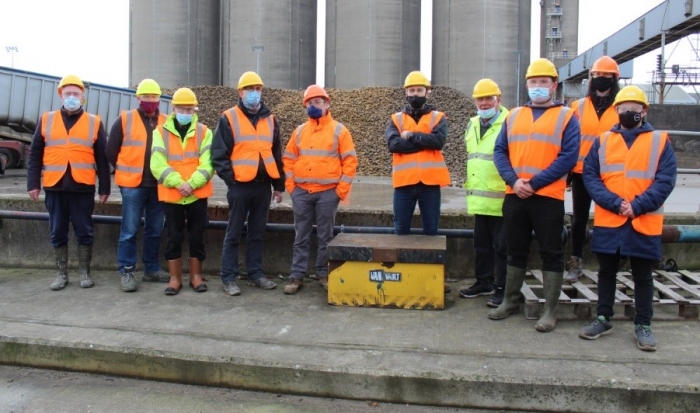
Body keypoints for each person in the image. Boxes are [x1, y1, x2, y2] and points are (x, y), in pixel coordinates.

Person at [579, 86, 676, 351]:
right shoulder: (602, 141)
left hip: (643, 220)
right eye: (623, 108)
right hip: (611, 219)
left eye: (634, 108)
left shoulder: (659, 140)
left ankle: (643, 325)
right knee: (606, 272)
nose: (628, 112)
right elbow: (591, 177)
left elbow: (665, 180)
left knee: (643, 275)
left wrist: (637, 206)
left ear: (644, 111)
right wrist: (614, 203)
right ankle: (603, 318)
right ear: (616, 111)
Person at [489, 58, 580, 333]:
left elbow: (568, 157)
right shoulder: (514, 115)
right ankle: (510, 300)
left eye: (543, 82)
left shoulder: (567, 116)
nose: (538, 87)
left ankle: (550, 310)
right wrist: (514, 181)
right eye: (533, 82)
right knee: (514, 248)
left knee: (551, 251)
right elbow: (500, 152)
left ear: (554, 85)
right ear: (526, 84)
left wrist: (535, 183)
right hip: (515, 194)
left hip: (548, 197)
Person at [26, 74, 111, 290]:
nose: (71, 97)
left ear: (83, 97)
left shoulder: (94, 122)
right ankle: (61, 274)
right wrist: (32, 184)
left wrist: (105, 188)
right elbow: (35, 153)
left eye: (75, 93)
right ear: (60, 95)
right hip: (55, 186)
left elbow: (102, 158)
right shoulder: (47, 119)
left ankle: (84, 273)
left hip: (82, 187)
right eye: (68, 93)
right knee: (57, 230)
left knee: (84, 230)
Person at [212, 71, 284, 296]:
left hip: (263, 186)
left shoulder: (270, 119)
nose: (254, 93)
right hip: (240, 186)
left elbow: (276, 154)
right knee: (233, 233)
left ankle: (255, 273)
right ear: (240, 92)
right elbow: (218, 154)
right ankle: (229, 277)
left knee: (257, 232)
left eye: (258, 89)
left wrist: (279, 185)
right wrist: (232, 180)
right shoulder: (228, 118)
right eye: (250, 89)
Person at [282, 85, 357, 294]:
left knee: (325, 236)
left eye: (317, 102)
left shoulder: (339, 131)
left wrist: (339, 192)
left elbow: (350, 162)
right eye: (309, 103)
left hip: (327, 193)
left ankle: (323, 274)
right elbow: (288, 159)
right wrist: (292, 188)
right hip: (302, 193)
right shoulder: (299, 132)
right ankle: (296, 276)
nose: (313, 106)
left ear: (327, 104)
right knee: (301, 236)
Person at [106, 78, 169, 293]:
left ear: (159, 98)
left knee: (155, 230)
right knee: (129, 230)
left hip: (158, 186)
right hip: (133, 186)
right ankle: (127, 270)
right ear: (138, 97)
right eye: (146, 96)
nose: (150, 100)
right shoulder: (124, 120)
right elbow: (111, 151)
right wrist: (125, 168)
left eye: (154, 96)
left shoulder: (167, 121)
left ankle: (151, 268)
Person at [150, 88, 214, 296]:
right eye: (182, 108)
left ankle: (196, 277)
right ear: (173, 108)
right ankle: (175, 278)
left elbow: (209, 162)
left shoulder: (204, 132)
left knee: (197, 235)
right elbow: (157, 164)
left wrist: (192, 184)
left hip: (196, 194)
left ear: (195, 109)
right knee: (173, 236)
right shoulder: (160, 132)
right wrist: (179, 183)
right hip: (173, 194)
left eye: (189, 109)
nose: (186, 112)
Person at [565, 56, 621, 283]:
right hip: (581, 172)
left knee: (609, 218)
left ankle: (608, 265)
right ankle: (575, 262)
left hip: (611, 173)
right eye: (596, 75)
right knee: (579, 219)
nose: (600, 79)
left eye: (605, 76)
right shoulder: (577, 106)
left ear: (614, 78)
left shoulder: (621, 106)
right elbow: (569, 140)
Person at [459, 79, 508, 308]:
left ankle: (502, 288)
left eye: (489, 98)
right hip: (480, 199)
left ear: (498, 99)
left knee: (503, 247)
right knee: (481, 245)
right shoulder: (472, 124)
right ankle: (483, 282)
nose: (485, 102)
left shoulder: (510, 122)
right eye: (481, 99)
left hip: (502, 198)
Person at [385, 71, 450, 236]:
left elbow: (438, 142)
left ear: (427, 92)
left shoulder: (438, 118)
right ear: (406, 93)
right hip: (403, 184)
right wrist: (424, 142)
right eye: (412, 91)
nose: (415, 94)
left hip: (430, 185)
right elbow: (393, 145)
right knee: (400, 231)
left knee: (431, 231)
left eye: (419, 90)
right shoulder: (396, 119)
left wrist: (411, 136)